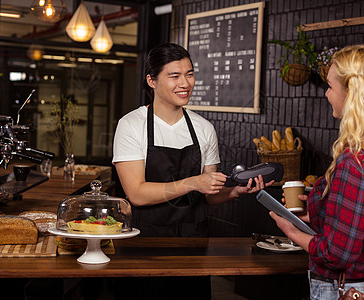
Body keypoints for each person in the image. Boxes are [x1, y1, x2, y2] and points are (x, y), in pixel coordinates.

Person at [112, 42, 271, 299]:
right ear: (152, 81)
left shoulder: (203, 128)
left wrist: (233, 192)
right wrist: (194, 182)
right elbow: (137, 194)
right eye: (174, 76)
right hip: (145, 241)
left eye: (189, 74)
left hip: (193, 241)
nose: (185, 83)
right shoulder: (131, 125)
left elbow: (208, 195)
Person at [270, 45, 364, 300]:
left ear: (352, 95)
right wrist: (315, 215)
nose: (327, 94)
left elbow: (338, 254)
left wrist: (292, 232)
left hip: (343, 290)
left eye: (330, 87)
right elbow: (358, 225)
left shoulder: (352, 163)